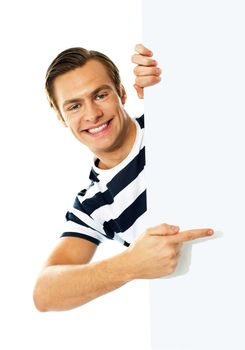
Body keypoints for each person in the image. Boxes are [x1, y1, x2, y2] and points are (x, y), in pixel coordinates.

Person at [33, 44, 213, 312]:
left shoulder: (168, 121)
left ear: (122, 92)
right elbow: (46, 294)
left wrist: (175, 82)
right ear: (61, 118)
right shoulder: (92, 205)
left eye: (100, 95)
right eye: (74, 106)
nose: (92, 114)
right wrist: (131, 264)